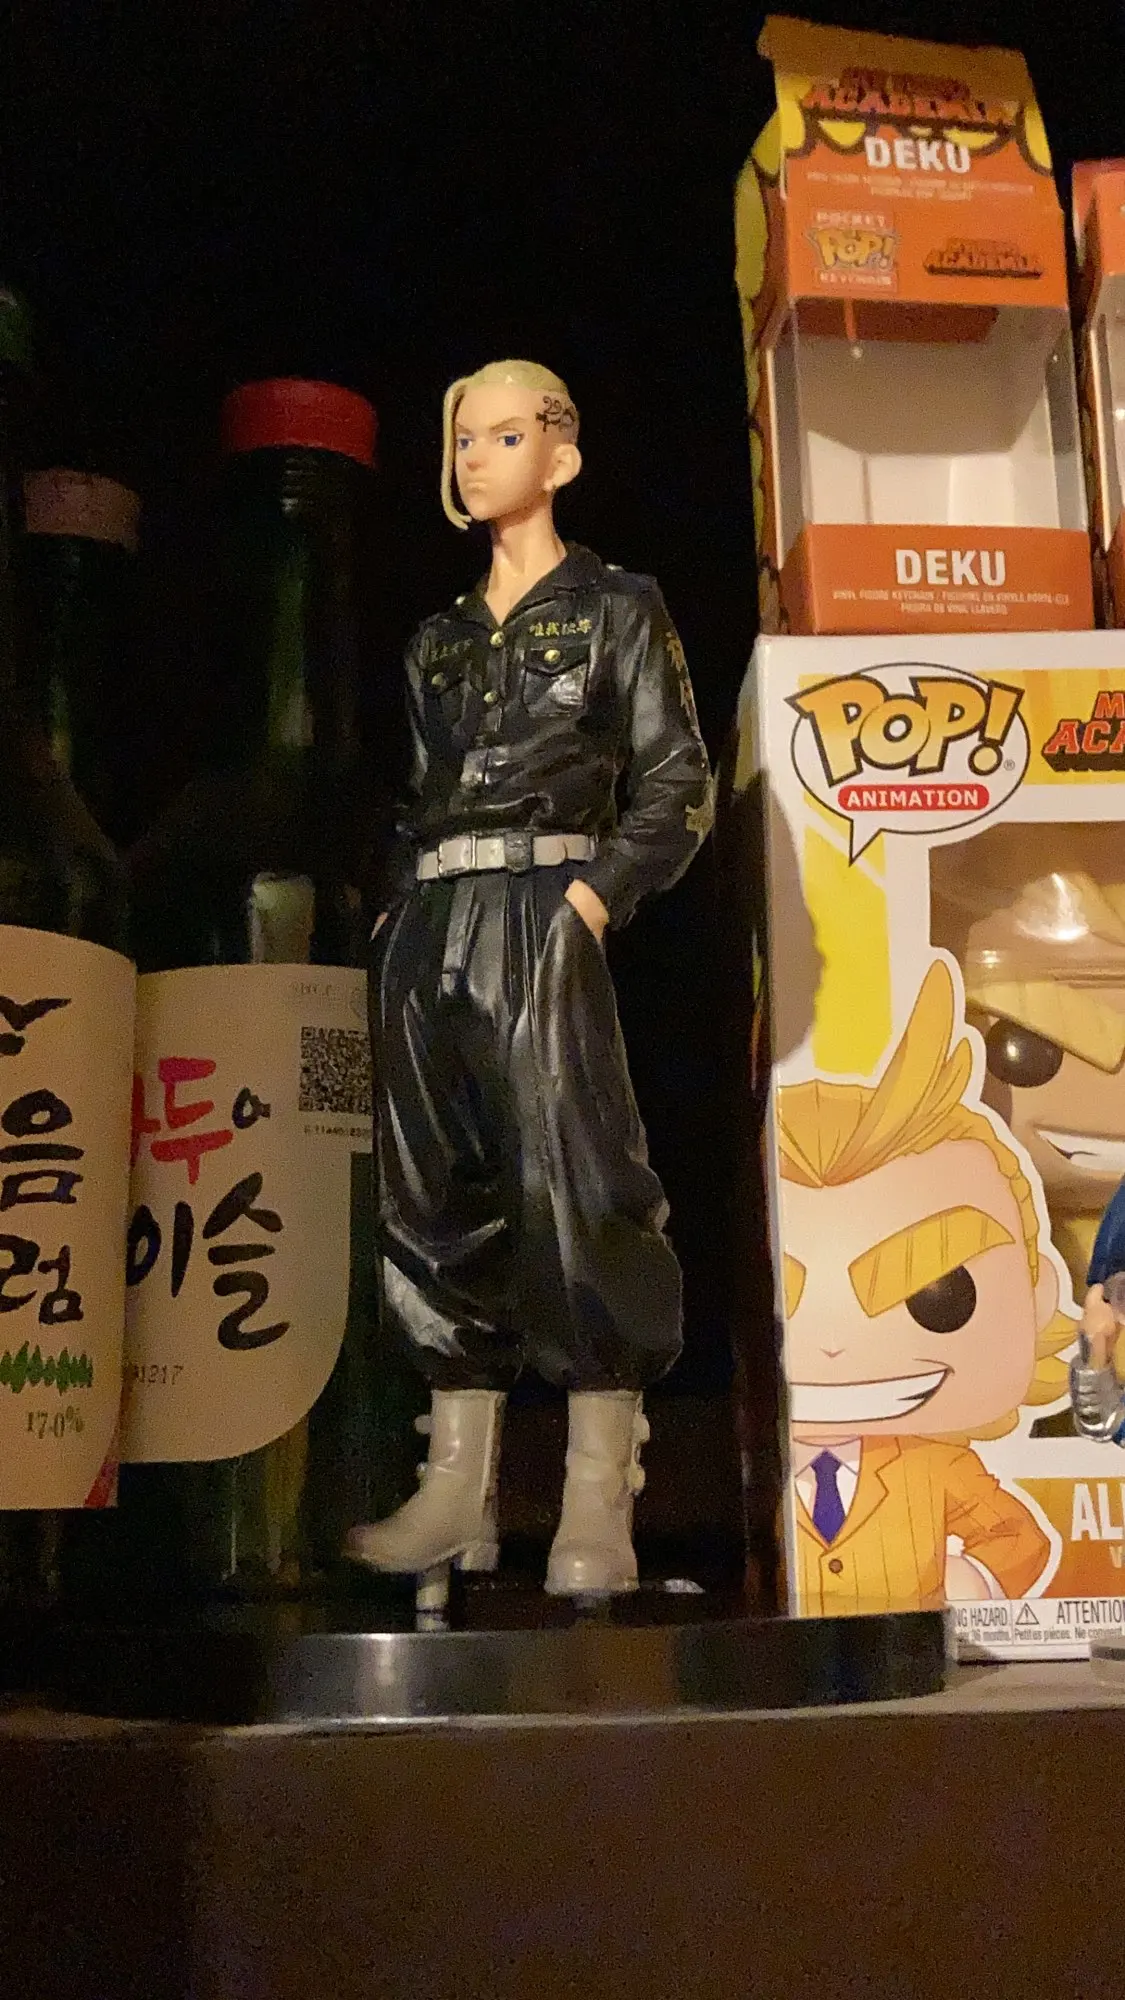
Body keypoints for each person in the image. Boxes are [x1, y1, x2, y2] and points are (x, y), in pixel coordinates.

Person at [346, 360, 713, 1596]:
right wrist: (395, 918)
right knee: (428, 1192)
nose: (477, 457)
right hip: (433, 917)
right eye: (463, 438)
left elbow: (678, 782)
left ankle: (597, 1494)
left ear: (561, 454)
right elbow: (411, 798)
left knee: (577, 1181)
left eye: (504, 435)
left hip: (546, 906)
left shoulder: (618, 607)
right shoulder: (437, 641)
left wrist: (594, 898)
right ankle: (457, 1488)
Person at [778, 962, 1067, 1613]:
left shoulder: (934, 1467)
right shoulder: (738, 1476)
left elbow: (1014, 1537)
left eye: (938, 1297)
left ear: (1038, 1295)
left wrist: (977, 1581)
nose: (831, 1346)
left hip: (912, 1662)